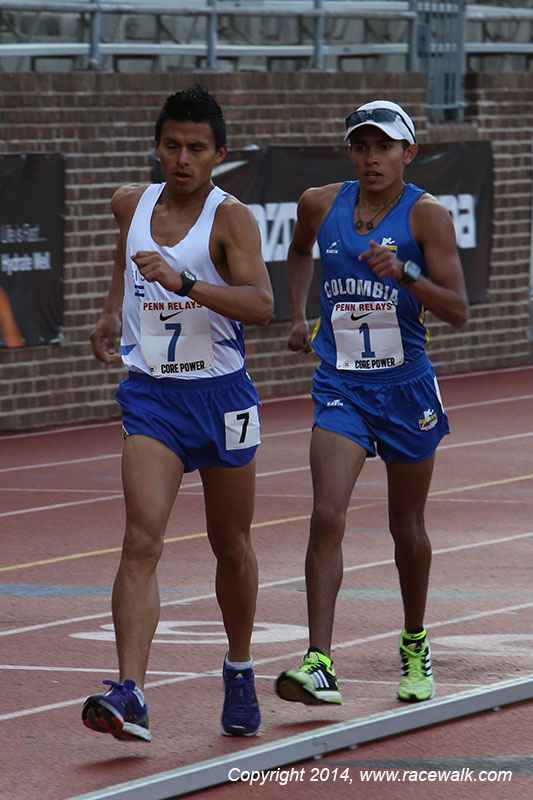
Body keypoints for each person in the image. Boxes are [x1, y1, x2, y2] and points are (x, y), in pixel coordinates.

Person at [82, 85, 274, 741]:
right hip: (153, 396)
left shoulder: (231, 219)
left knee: (231, 544)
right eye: (171, 145)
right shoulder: (128, 203)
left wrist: (185, 282)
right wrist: (114, 307)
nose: (182, 159)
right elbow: (128, 256)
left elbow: (261, 307)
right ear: (156, 146)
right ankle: (130, 692)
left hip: (223, 399)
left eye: (196, 148)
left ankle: (240, 667)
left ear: (218, 153)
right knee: (141, 539)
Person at [275, 100, 468, 707]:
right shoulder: (318, 203)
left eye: (384, 147)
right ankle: (320, 662)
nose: (371, 158)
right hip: (341, 384)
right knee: (327, 515)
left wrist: (406, 274)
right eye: (361, 146)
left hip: (406, 387)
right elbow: (300, 250)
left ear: (408, 153)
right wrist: (301, 312)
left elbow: (457, 310)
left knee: (404, 527)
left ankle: (413, 640)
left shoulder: (427, 217)